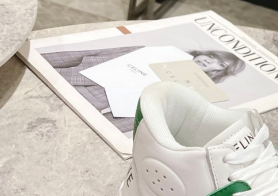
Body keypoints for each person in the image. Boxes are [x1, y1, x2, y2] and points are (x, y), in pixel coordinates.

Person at [41, 46, 246, 134]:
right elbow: (97, 53)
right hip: (68, 78)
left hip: (92, 110)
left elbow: (145, 116)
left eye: (219, 64)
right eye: (212, 56)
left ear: (220, 72)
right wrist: (39, 61)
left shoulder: (193, 94)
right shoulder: (164, 51)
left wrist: (104, 131)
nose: (209, 61)